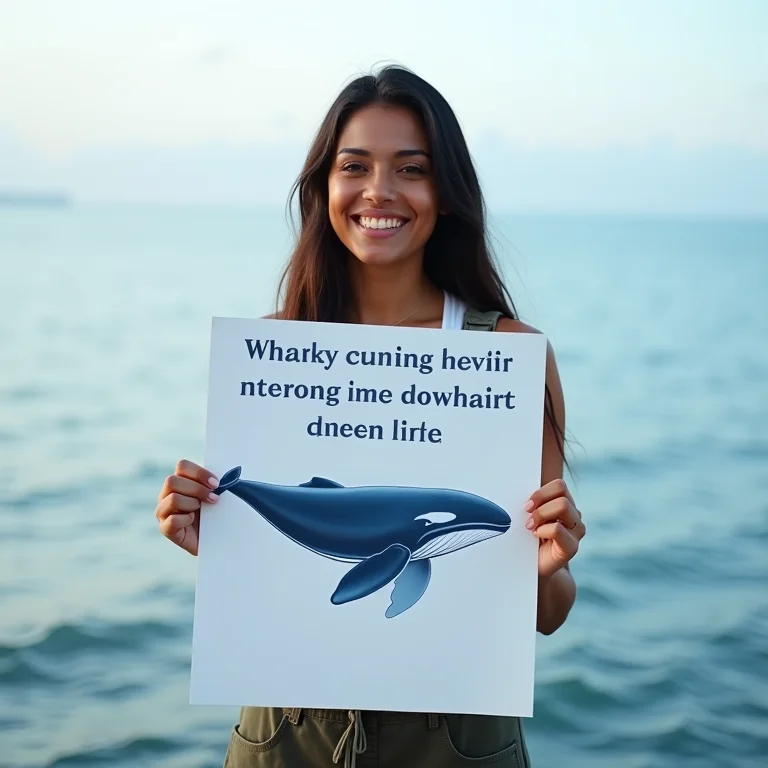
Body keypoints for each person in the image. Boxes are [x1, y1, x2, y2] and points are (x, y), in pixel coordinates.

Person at [154, 65, 586, 768]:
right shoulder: (272, 351)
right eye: (354, 166)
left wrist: (545, 569)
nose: (379, 192)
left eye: (411, 169)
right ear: (324, 187)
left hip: (457, 740)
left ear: (445, 193)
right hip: (286, 732)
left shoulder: (511, 355)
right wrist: (212, 533)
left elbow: (550, 615)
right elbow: (270, 593)